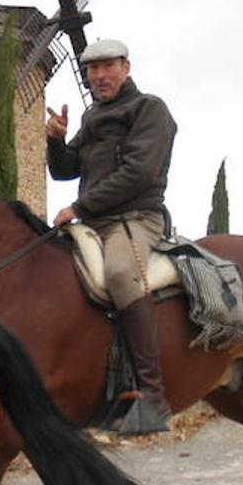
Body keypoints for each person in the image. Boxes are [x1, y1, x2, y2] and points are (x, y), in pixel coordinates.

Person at [46, 38, 178, 435]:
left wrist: (79, 208)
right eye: (92, 69)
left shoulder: (149, 109)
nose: (99, 76)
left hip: (136, 217)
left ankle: (154, 398)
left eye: (107, 67)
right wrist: (55, 141)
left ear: (126, 66)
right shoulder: (91, 117)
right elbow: (65, 170)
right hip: (94, 222)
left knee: (120, 273)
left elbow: (139, 173)